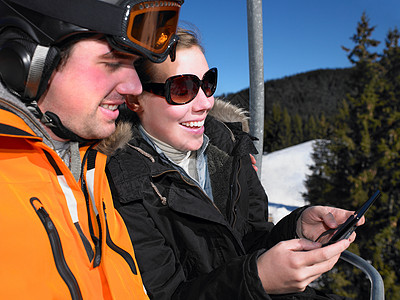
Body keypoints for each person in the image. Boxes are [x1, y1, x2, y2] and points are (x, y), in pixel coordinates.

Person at [103, 28, 363, 299]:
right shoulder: (122, 184)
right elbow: (168, 294)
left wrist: (296, 229)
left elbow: (253, 244)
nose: (206, 102)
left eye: (207, 83)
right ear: (135, 99)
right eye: (183, 89)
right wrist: (256, 280)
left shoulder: (229, 148)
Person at [0, 0, 184, 299]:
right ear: (26, 60)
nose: (134, 85)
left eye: (134, 64)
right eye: (112, 62)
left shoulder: (91, 163)